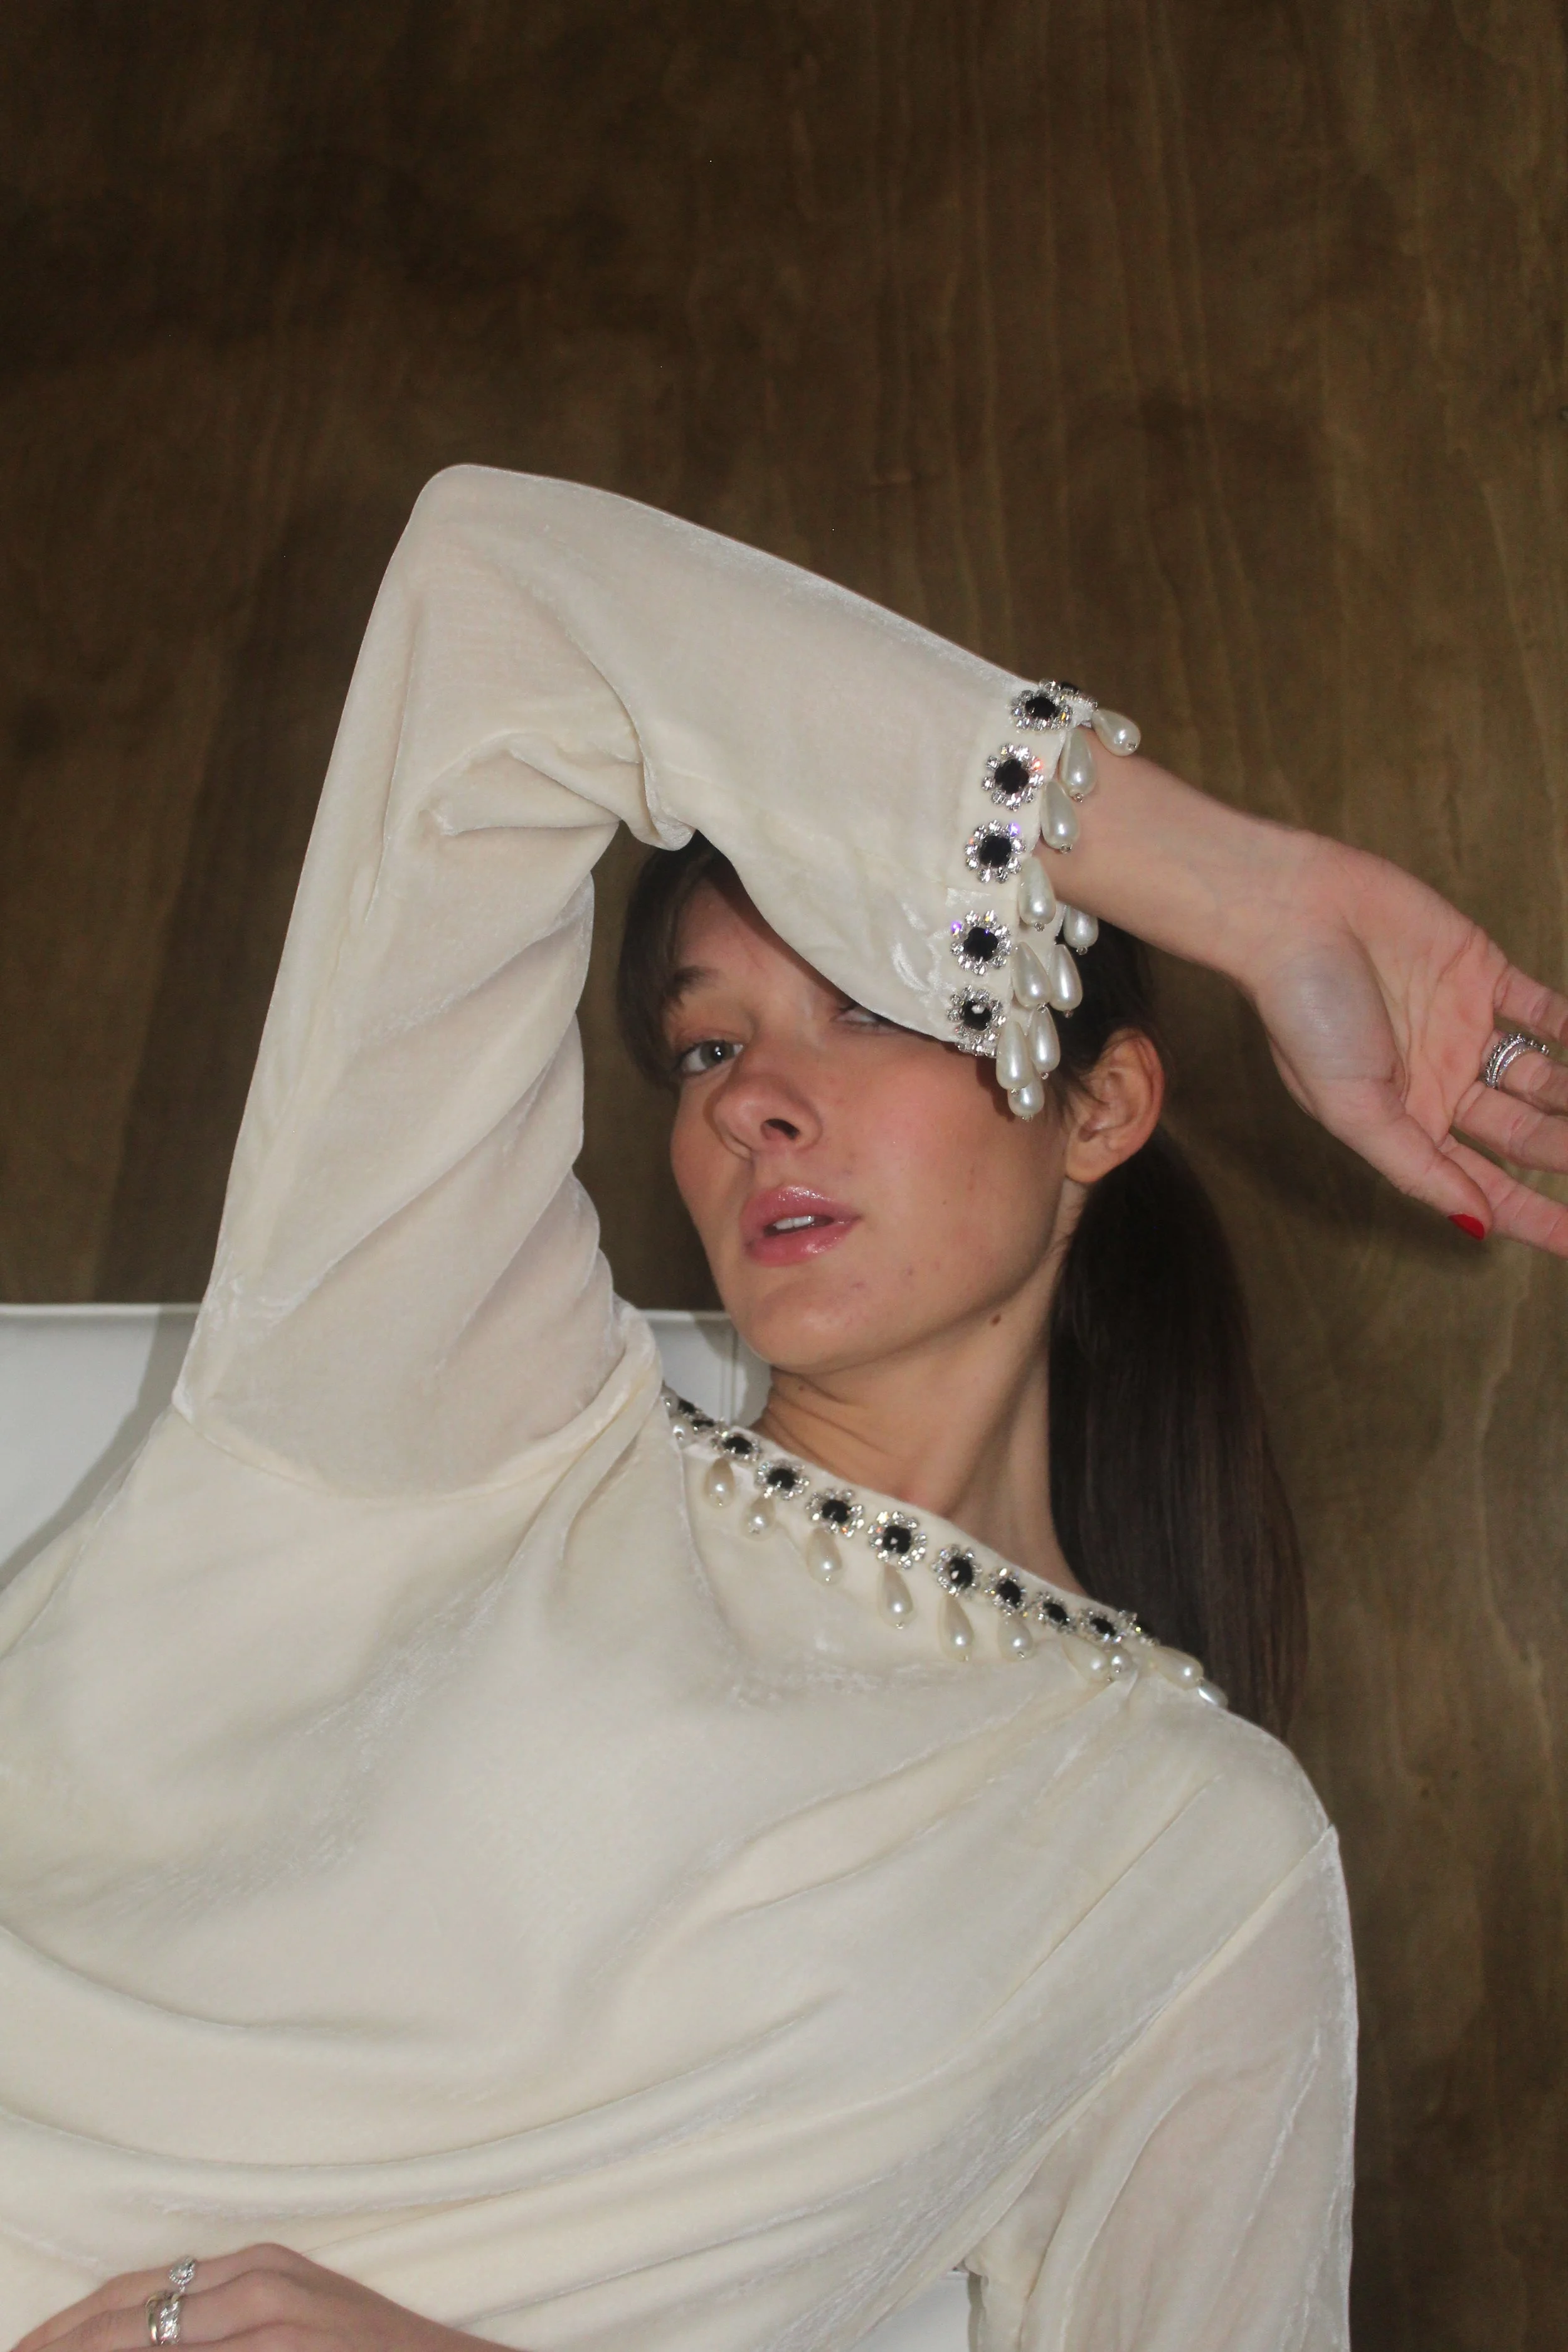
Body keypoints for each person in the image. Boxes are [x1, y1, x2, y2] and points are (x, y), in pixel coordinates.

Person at [2, 469, 1564, 2352]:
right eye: (708, 1041)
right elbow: (498, 597)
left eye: (870, 1007)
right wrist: (1252, 893)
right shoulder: (461, 1413)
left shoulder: (1184, 1857)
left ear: (1100, 1106)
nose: (750, 1097)